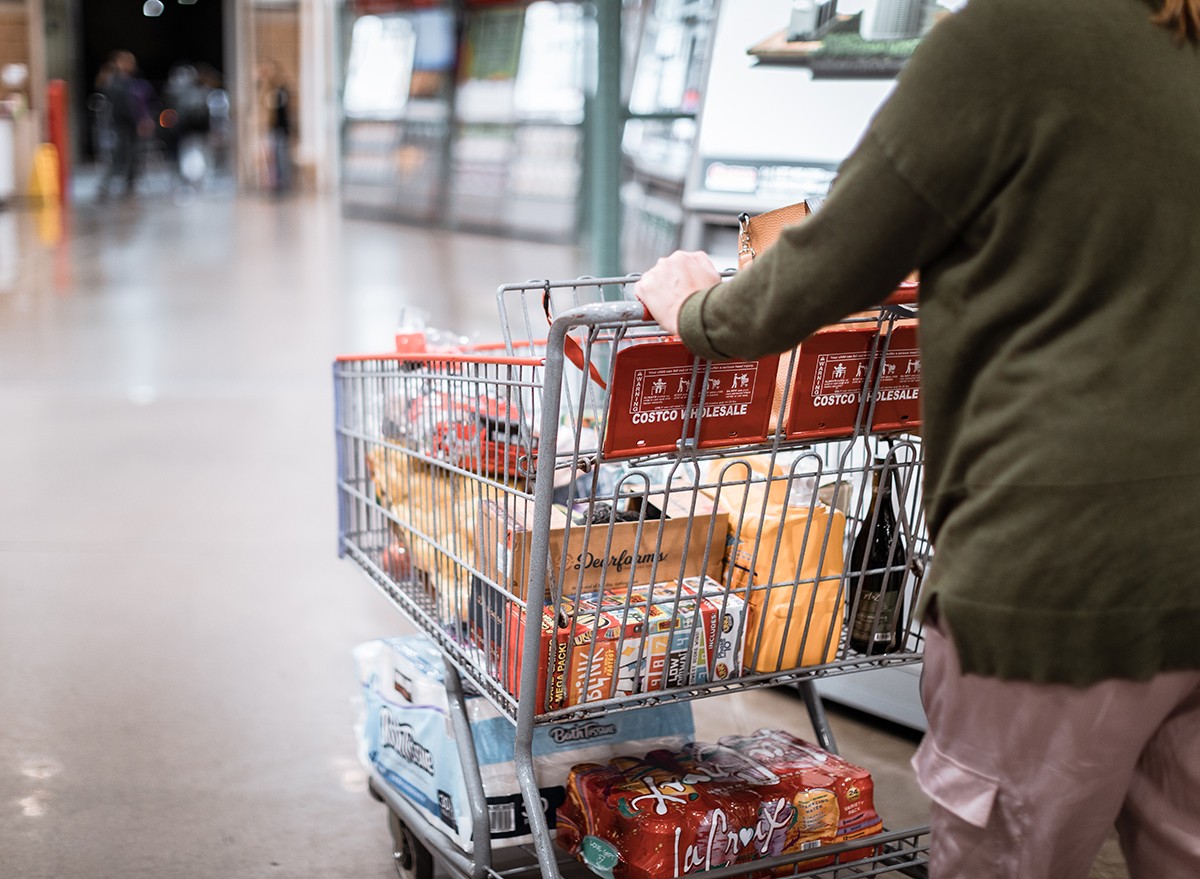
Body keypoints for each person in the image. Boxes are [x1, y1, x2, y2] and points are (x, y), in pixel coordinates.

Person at [634, 1, 1200, 877]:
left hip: (1054, 574)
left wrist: (694, 305)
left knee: (1005, 855)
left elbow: (825, 263)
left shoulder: (1005, 38)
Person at [97, 50, 155, 199]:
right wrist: (136, 121)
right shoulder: (115, 82)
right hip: (121, 125)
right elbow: (123, 106)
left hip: (128, 125)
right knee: (119, 156)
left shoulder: (128, 81)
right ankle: (106, 186)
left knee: (132, 156)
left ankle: (128, 184)